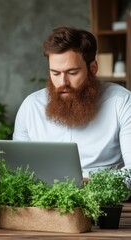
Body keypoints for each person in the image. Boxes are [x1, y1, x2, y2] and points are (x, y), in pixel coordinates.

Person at [13, 26, 131, 178]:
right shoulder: (31, 106)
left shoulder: (122, 102)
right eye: (55, 73)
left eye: (72, 72)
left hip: (104, 199)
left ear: (93, 68)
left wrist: (92, 185)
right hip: (41, 200)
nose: (63, 82)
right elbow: (17, 169)